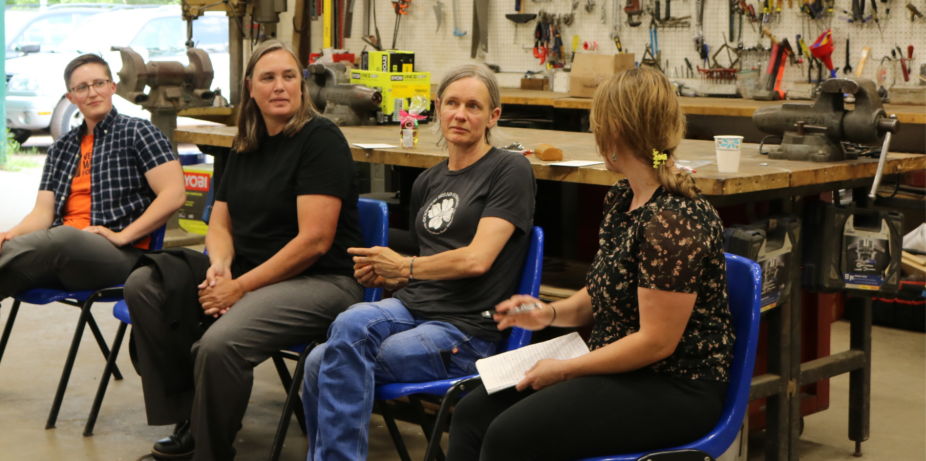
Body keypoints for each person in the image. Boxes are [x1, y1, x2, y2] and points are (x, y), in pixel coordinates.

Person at [446, 67, 736, 461]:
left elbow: (656, 342)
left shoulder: (672, 220)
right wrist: (546, 313)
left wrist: (567, 369)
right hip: (622, 368)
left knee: (508, 437)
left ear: (614, 130)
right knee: (471, 414)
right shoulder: (623, 199)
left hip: (674, 385)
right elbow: (601, 294)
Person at [0, 53, 185, 431]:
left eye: (98, 83)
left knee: (61, 238)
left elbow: (173, 194)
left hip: (119, 255)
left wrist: (122, 235)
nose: (91, 92)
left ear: (112, 87)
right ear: (70, 97)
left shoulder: (140, 133)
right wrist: (9, 235)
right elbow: (42, 215)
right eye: (81, 87)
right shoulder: (62, 148)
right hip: (58, 251)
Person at [123, 40, 365, 461]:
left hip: (322, 280)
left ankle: (210, 452)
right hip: (250, 272)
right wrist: (220, 266)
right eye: (268, 78)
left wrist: (239, 288)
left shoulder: (320, 139)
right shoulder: (246, 142)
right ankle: (192, 421)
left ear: (302, 85)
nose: (280, 86)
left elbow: (314, 242)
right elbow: (219, 223)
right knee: (146, 284)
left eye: (289, 77)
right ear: (250, 88)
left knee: (221, 345)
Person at [302, 63, 536, 461]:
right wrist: (386, 271)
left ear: (493, 116)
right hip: (414, 309)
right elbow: (426, 263)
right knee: (331, 342)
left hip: (465, 330)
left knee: (328, 362)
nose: (460, 114)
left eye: (474, 106)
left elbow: (477, 260)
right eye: (452, 103)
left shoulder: (509, 169)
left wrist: (405, 267)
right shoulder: (428, 180)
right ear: (438, 108)